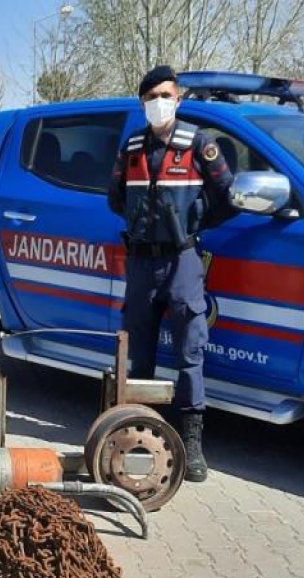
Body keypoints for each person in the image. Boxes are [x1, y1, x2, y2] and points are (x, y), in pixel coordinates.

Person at [107, 65, 236, 482]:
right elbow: (115, 199)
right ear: (142, 103)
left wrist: (194, 222)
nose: (158, 103)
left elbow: (227, 199)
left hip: (182, 261)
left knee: (189, 354)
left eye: (165, 95)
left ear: (178, 99)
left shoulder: (200, 144)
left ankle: (191, 444)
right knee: (138, 353)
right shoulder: (132, 148)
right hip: (141, 263)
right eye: (150, 97)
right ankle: (138, 436)